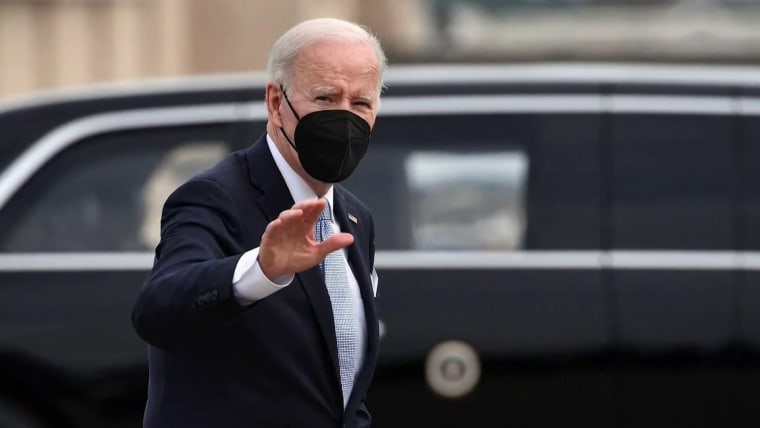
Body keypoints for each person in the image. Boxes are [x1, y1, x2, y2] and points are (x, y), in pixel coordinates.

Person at [131, 17, 386, 428]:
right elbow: (158, 309)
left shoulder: (355, 218)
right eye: (325, 98)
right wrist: (261, 271)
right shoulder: (215, 196)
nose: (344, 119)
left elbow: (341, 392)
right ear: (275, 102)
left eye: (360, 104)